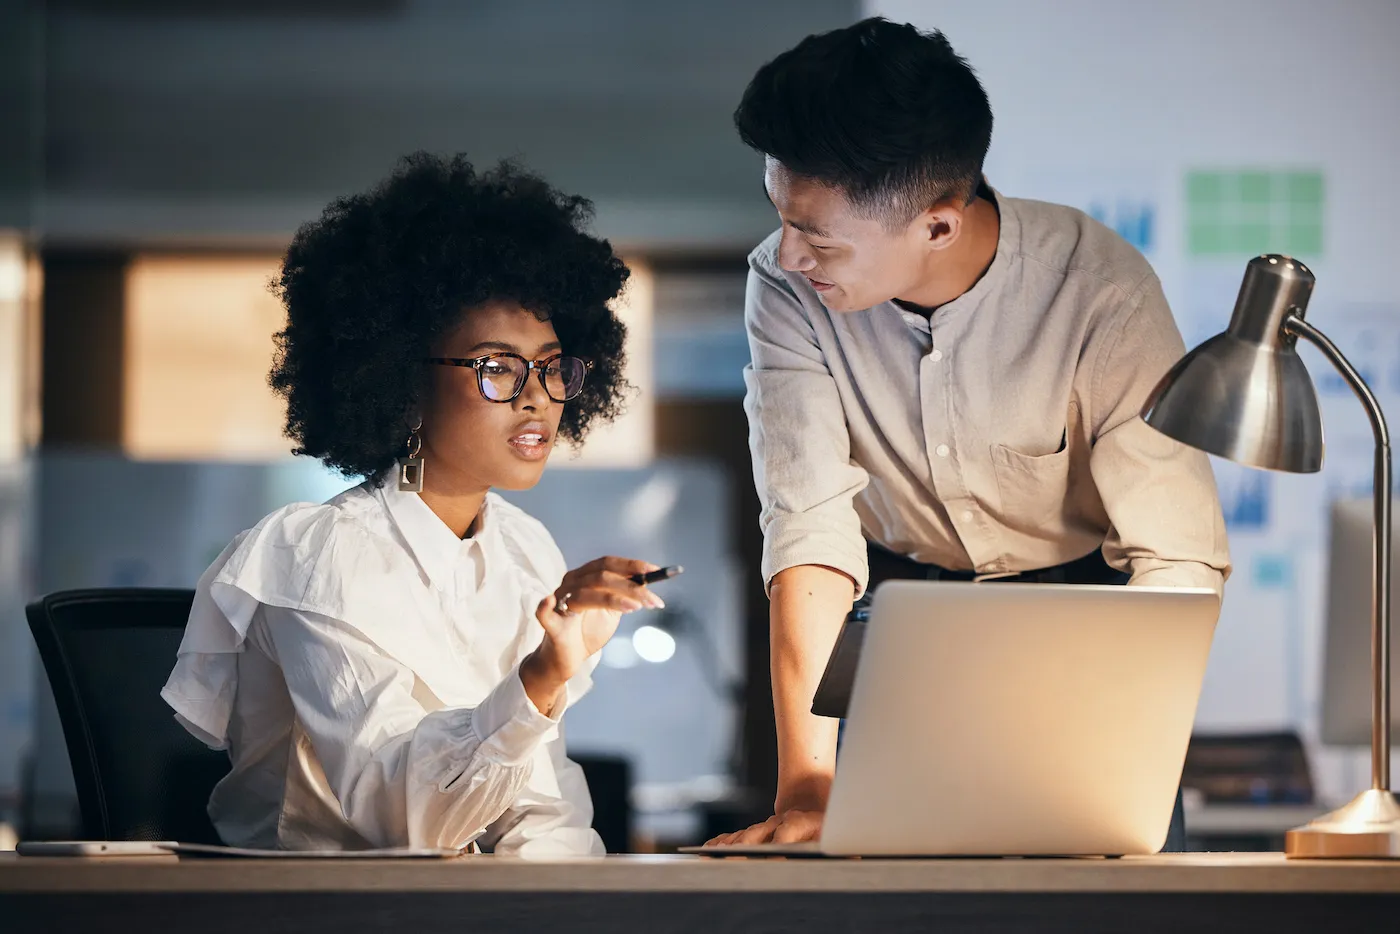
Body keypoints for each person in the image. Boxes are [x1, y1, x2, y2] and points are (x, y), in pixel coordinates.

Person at [708, 18, 1230, 848]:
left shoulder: (1097, 288)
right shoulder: (784, 281)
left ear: (939, 225)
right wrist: (808, 787)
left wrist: (1123, 741)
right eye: (784, 218)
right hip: (900, 615)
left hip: (1083, 620)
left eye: (819, 236)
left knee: (1103, 886)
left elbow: (1175, 554)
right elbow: (808, 523)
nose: (792, 253)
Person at [162, 154, 662, 856]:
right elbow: (406, 821)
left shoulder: (524, 552)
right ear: (399, 383)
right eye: (495, 367)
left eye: (550, 366)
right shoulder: (314, 554)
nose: (535, 395)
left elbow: (544, 815)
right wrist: (544, 676)